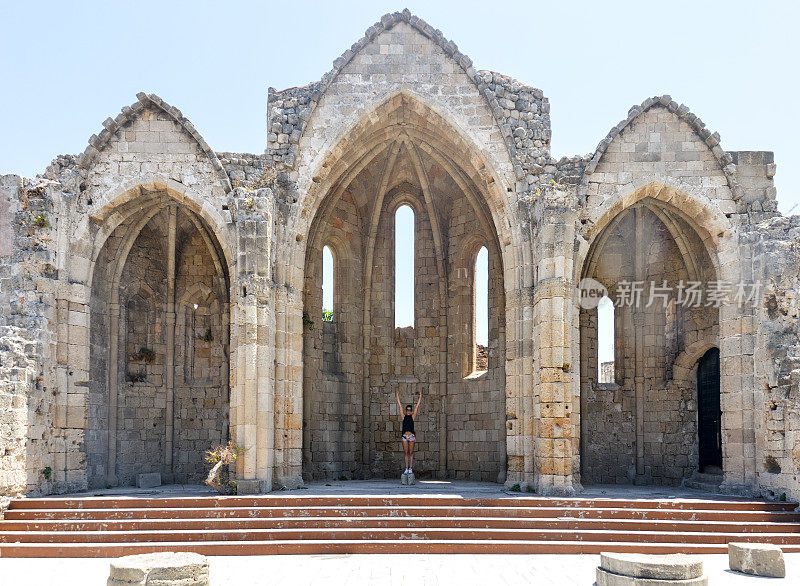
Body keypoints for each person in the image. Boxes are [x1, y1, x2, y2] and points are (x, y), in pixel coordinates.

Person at [396, 387, 422, 475]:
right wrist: (397, 396)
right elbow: (399, 406)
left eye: (410, 410)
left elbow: (417, 407)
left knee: (411, 452)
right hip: (404, 436)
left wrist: (420, 397)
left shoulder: (412, 417)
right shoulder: (404, 417)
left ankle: (410, 468)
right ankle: (406, 468)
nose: (409, 411)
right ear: (406, 410)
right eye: (407, 410)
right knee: (406, 452)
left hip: (411, 436)